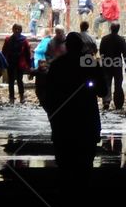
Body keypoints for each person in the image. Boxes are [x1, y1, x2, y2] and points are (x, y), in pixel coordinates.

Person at [37, 32, 107, 187]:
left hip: (63, 121)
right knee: (85, 164)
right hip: (86, 120)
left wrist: (52, 113)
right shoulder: (89, 63)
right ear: (81, 47)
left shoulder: (57, 65)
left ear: (67, 46)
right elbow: (103, 90)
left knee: (64, 164)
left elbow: (48, 93)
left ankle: (65, 190)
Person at [98, 21, 126, 110]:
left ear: (110, 29)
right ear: (118, 29)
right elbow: (125, 53)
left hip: (107, 64)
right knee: (118, 84)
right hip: (117, 65)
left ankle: (106, 101)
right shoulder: (121, 40)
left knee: (107, 83)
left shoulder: (104, 39)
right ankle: (118, 103)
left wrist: (102, 62)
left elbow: (101, 52)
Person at [2, 24, 33, 103]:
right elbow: (4, 51)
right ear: (12, 29)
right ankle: (11, 97)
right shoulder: (8, 39)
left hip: (20, 63)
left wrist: (29, 65)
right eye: (15, 29)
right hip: (10, 63)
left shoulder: (24, 40)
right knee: (11, 81)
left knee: (19, 80)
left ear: (21, 30)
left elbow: (27, 53)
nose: (17, 30)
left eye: (19, 29)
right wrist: (3, 62)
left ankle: (21, 97)